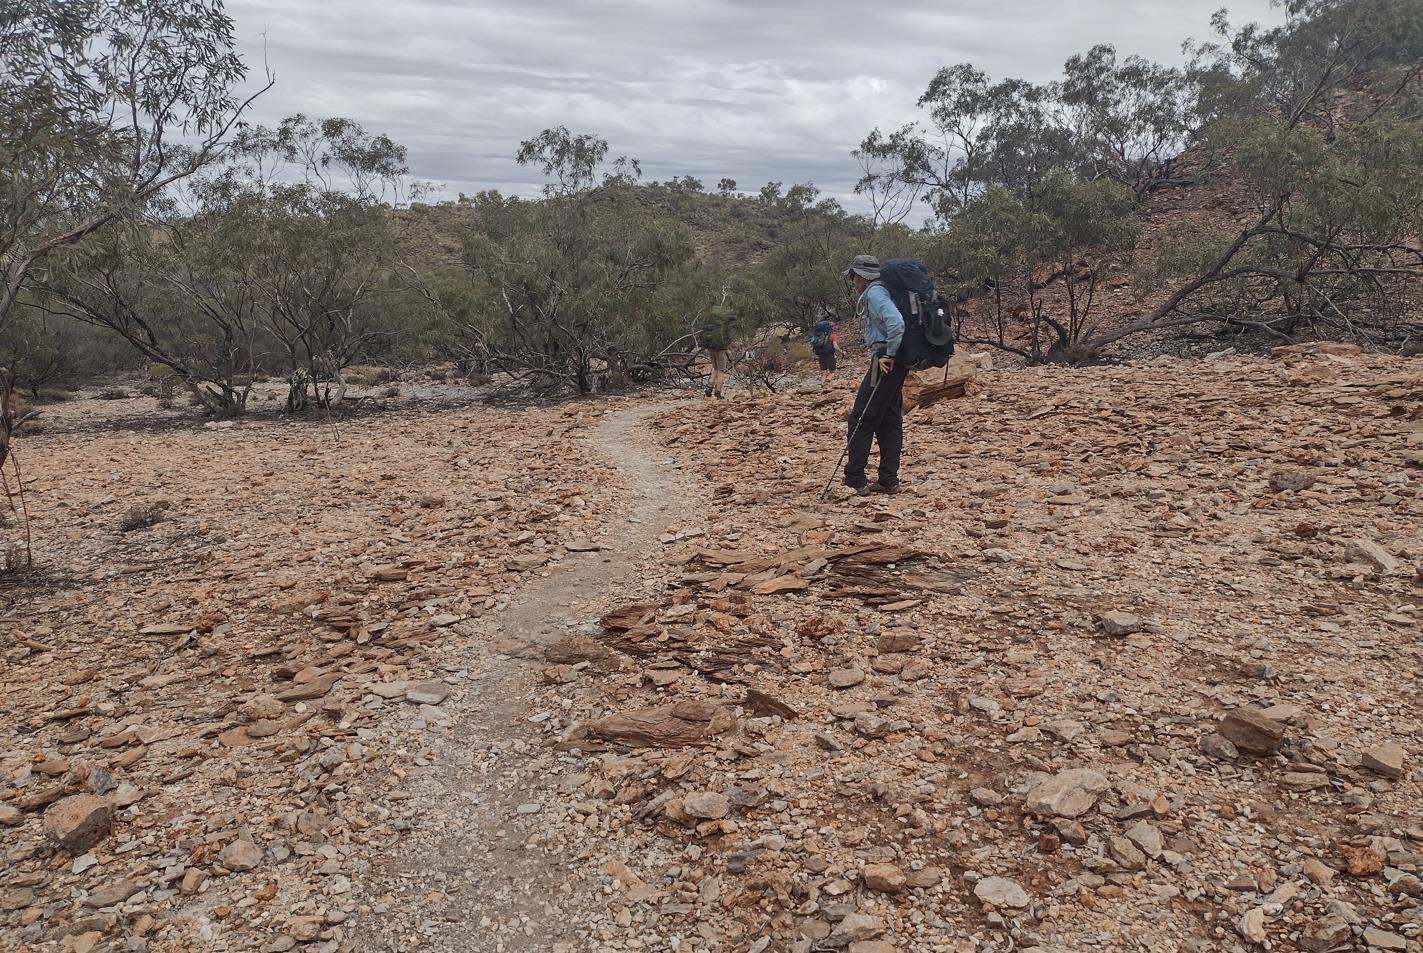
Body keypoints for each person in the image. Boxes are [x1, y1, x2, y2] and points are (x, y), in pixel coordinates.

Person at [842, 255, 907, 495]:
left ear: (861, 276)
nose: (852, 282)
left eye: (853, 277)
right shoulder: (885, 291)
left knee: (860, 418)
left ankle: (855, 478)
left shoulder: (875, 293)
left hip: (885, 362)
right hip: (896, 362)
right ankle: (889, 480)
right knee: (890, 420)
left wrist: (888, 353)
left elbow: (896, 323)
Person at [697, 304, 734, 399]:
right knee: (721, 371)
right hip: (720, 350)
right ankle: (718, 392)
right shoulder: (723, 324)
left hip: (710, 348)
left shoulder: (711, 322)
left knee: (715, 368)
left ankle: (709, 388)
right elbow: (728, 338)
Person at [810, 317, 842, 386]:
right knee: (832, 372)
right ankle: (827, 383)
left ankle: (822, 385)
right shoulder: (832, 336)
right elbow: (835, 346)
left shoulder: (817, 336)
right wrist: (841, 351)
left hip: (820, 356)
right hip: (829, 356)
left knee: (824, 373)